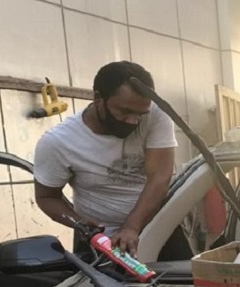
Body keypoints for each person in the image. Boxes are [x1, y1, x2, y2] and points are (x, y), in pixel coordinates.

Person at [33, 61, 177, 256]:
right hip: (99, 241)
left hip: (161, 228)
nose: (133, 121)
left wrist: (131, 227)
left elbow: (160, 177)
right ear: (98, 99)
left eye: (140, 114)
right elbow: (47, 197)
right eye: (125, 112)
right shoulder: (58, 142)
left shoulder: (156, 115)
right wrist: (81, 225)